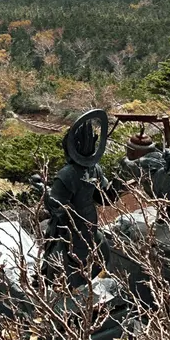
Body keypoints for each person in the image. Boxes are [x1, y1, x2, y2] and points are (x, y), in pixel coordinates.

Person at [42, 110, 117, 289]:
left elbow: (56, 205)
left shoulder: (68, 173)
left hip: (77, 226)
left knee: (54, 250)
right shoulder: (94, 169)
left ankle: (54, 280)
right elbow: (103, 198)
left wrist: (44, 191)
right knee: (94, 247)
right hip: (84, 224)